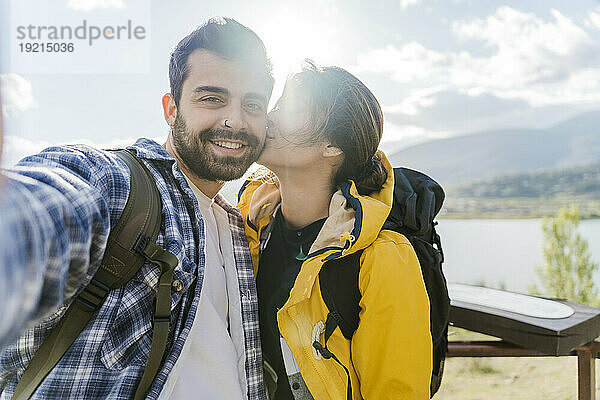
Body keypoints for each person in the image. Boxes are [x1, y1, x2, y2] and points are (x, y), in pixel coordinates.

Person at [0, 17, 272, 399]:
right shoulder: (117, 182)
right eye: (212, 98)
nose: (235, 119)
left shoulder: (236, 226)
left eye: (253, 104)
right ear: (171, 108)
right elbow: (46, 214)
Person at [237, 62, 432, 399]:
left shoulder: (383, 258)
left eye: (290, 108)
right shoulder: (249, 228)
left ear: (332, 146)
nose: (268, 117)